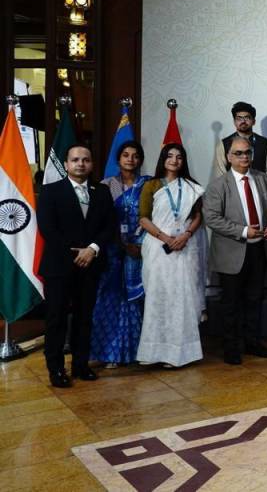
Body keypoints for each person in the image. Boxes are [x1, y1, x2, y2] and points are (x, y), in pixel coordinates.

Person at [38, 143, 117, 387]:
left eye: (85, 159)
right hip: (59, 266)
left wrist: (92, 249)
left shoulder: (102, 191)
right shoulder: (50, 191)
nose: (80, 164)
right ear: (66, 164)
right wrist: (75, 253)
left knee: (84, 317)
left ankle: (81, 365)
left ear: (91, 164)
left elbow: (110, 226)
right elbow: (48, 229)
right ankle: (56, 369)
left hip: (91, 265)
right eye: (75, 160)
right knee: (57, 319)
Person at [204, 136, 267, 365]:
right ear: (229, 157)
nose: (244, 156)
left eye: (247, 152)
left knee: (255, 299)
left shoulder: (263, 179)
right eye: (238, 153)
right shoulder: (218, 185)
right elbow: (211, 218)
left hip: (258, 251)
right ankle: (231, 347)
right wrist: (244, 231)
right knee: (231, 303)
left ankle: (252, 342)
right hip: (231, 253)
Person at [136, 143, 206, 368]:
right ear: (163, 159)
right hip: (158, 248)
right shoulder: (151, 185)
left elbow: (198, 216)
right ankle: (154, 352)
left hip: (185, 248)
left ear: (183, 161)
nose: (174, 160)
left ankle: (181, 354)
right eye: (170, 156)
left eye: (179, 157)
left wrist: (186, 235)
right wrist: (166, 238)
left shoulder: (192, 186)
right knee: (158, 298)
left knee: (182, 299)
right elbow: (143, 218)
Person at [90, 141, 150, 368]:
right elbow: (101, 220)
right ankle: (110, 353)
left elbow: (154, 216)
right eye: (126, 155)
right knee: (112, 299)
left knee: (137, 299)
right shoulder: (105, 186)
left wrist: (140, 244)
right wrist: (123, 244)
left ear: (140, 160)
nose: (130, 159)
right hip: (113, 251)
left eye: (135, 156)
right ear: (118, 159)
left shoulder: (148, 185)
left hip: (142, 250)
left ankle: (138, 351)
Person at [213, 101, 267, 179]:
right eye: (239, 118)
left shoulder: (265, 143)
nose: (243, 121)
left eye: (247, 118)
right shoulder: (223, 144)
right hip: (232, 186)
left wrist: (263, 186)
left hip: (260, 185)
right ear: (234, 122)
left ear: (254, 121)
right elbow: (221, 174)